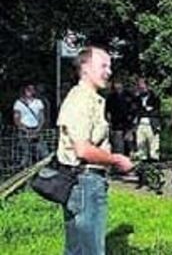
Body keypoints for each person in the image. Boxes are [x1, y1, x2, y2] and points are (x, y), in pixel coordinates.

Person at [56, 46, 133, 254]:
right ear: (85, 68)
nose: (109, 71)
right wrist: (115, 159)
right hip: (85, 183)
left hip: (86, 182)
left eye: (110, 66)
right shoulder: (81, 100)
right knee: (90, 250)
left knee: (77, 249)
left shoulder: (93, 99)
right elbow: (82, 149)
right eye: (103, 65)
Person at [13, 83, 48, 166]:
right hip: (24, 130)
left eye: (32, 89)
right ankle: (24, 170)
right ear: (24, 90)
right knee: (25, 153)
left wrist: (38, 130)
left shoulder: (38, 102)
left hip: (36, 129)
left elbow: (41, 117)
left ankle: (43, 167)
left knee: (42, 151)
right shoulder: (18, 103)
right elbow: (16, 119)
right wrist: (25, 130)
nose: (30, 91)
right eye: (28, 89)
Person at [105, 81, 136, 156]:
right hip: (116, 125)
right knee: (118, 147)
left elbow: (135, 109)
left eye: (119, 83)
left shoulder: (129, 96)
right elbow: (107, 111)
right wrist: (109, 122)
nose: (117, 85)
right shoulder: (111, 97)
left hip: (128, 124)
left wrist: (133, 121)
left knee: (129, 145)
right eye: (116, 83)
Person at [134, 78, 161, 161]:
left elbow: (156, 112)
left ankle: (154, 167)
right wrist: (145, 110)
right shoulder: (137, 99)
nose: (141, 87)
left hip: (152, 125)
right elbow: (136, 111)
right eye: (139, 85)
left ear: (147, 86)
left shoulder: (155, 98)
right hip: (140, 125)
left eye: (143, 85)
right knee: (141, 147)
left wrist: (145, 111)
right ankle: (143, 168)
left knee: (154, 148)